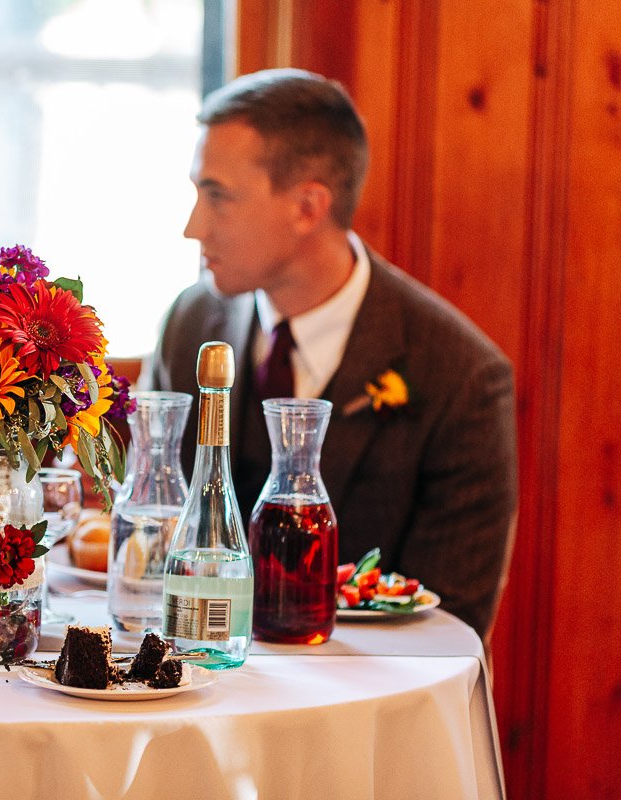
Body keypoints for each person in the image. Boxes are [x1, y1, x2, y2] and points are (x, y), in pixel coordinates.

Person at [144, 69, 518, 639]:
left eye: (216, 197)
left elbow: (450, 627)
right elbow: (149, 532)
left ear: (308, 206)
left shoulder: (462, 376)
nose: (192, 227)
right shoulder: (189, 324)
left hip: (362, 709)